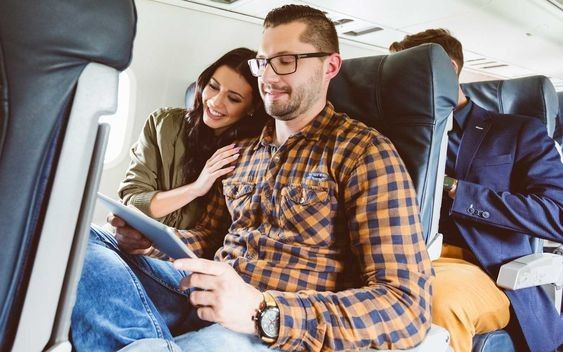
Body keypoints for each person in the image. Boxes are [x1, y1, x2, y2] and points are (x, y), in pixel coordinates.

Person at [72, 5, 433, 351]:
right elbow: (209, 237)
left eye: (286, 61)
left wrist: (263, 311)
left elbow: (407, 307)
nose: (269, 77)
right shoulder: (242, 151)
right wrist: (147, 242)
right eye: (263, 63)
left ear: (330, 66)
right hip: (202, 292)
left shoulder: (363, 152)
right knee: (83, 241)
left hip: (271, 325)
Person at [390, 29, 563, 352]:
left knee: (435, 301)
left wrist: (460, 192)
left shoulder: (518, 131)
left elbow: (558, 215)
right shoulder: (396, 136)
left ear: (449, 69)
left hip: (481, 268)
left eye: (410, 74)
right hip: (403, 258)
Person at [118, 47, 268, 230]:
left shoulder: (251, 153)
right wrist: (195, 189)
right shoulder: (163, 125)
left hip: (180, 253)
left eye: (233, 99)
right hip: (136, 237)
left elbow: (220, 234)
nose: (215, 102)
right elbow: (132, 199)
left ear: (252, 108)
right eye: (213, 86)